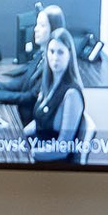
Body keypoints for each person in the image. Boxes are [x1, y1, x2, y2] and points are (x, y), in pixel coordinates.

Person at [0, 2, 62, 121]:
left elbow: (31, 97)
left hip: (31, 121)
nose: (36, 29)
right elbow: (23, 82)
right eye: (37, 24)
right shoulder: (41, 54)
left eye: (42, 26)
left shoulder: (53, 63)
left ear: (54, 29)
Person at [24, 27, 84, 165]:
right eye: (51, 51)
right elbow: (40, 122)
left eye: (60, 52)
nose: (55, 57)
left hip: (52, 164)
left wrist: (30, 154)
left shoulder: (71, 94)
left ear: (69, 55)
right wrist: (18, 136)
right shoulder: (48, 84)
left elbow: (63, 149)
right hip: (37, 153)